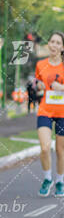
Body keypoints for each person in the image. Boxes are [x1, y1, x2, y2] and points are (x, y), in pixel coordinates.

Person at [35, 31, 64, 197]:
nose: (54, 45)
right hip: (45, 110)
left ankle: (60, 181)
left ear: (62, 47)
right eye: (52, 42)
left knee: (61, 151)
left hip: (62, 113)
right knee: (45, 148)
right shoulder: (40, 64)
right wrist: (39, 86)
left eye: (58, 43)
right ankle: (47, 178)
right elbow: (38, 82)